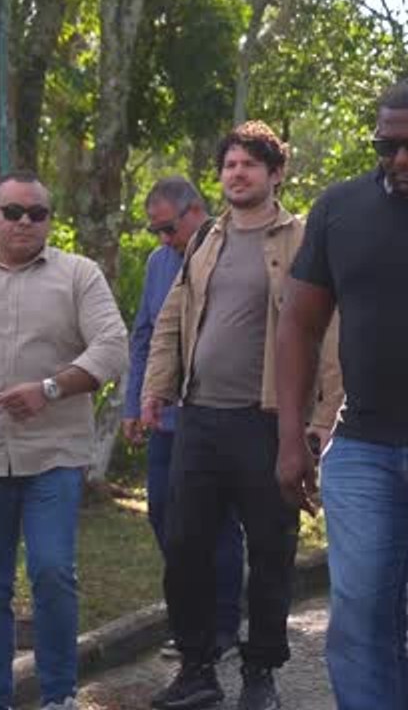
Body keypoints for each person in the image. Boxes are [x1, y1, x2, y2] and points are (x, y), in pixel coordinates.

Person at [142, 121, 341, 710]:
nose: (237, 173)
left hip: (269, 423)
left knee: (272, 551)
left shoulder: (303, 239)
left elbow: (329, 331)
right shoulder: (206, 238)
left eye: (250, 165)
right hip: (199, 419)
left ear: (275, 174)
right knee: (184, 546)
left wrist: (323, 417)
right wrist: (157, 387)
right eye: (230, 164)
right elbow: (173, 317)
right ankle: (198, 669)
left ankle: (261, 673)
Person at [0, 170, 128, 710]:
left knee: (51, 572)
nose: (25, 222)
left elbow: (113, 346)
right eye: (13, 212)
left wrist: (49, 389)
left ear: (50, 220)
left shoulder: (78, 275)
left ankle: (58, 697)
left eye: (38, 213)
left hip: (53, 454)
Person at [276, 79, 408, 710]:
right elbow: (299, 324)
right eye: (389, 144)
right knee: (358, 612)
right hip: (362, 448)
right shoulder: (341, 209)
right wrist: (289, 439)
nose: (401, 159)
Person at [123, 177, 244, 661]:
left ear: (197, 211)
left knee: (217, 523)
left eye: (168, 228)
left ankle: (224, 625)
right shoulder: (159, 264)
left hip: (223, 413)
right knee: (165, 517)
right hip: (168, 418)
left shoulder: (235, 251)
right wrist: (135, 402)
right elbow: (145, 335)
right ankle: (191, 621)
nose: (163, 239)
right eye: (156, 231)